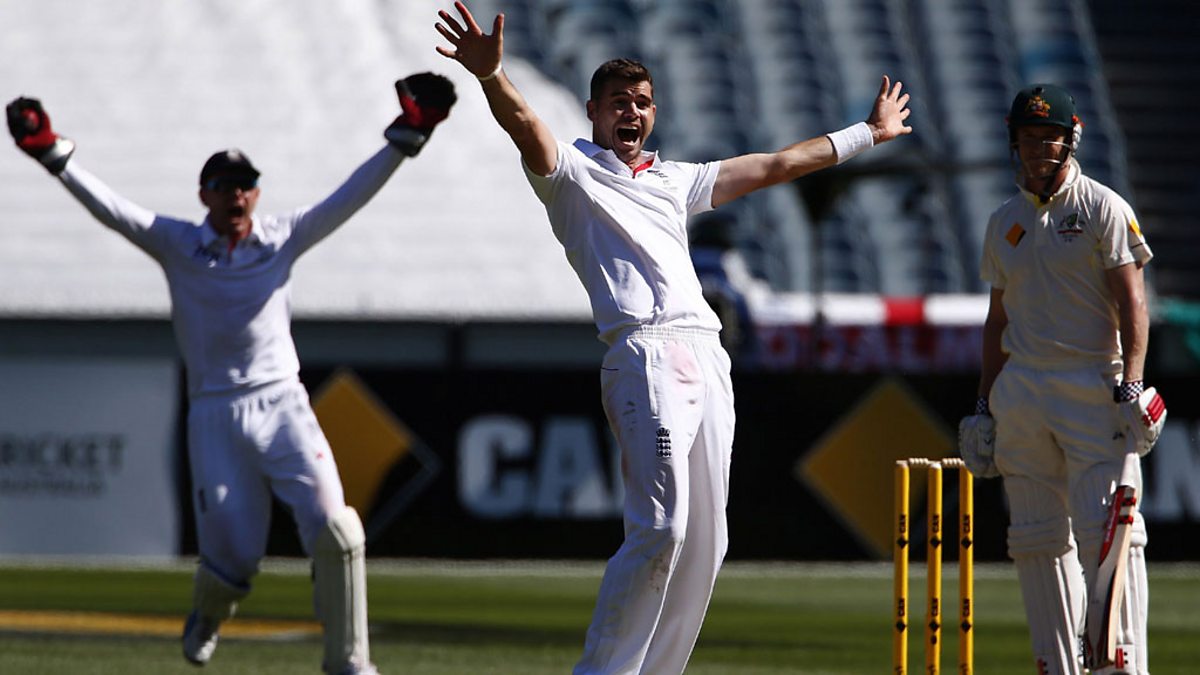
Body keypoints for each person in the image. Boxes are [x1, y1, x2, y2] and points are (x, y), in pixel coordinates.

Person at [434, 3, 912, 673]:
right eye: (618, 102)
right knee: (662, 526)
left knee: (707, 544)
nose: (631, 112)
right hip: (646, 354)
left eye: (642, 102)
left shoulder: (674, 180)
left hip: (708, 354)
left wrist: (868, 132)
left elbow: (777, 164)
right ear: (594, 113)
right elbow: (525, 126)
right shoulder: (571, 174)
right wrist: (492, 76)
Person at [6, 73, 456, 675]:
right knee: (234, 560)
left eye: (245, 186)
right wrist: (51, 155)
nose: (237, 197)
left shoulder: (281, 238)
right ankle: (209, 613)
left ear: (256, 193)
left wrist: (407, 137)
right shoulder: (177, 243)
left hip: (284, 404)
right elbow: (114, 212)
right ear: (204, 195)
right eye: (224, 187)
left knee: (338, 531)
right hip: (216, 413)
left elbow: (347, 198)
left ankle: (349, 664)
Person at [957, 84, 1166, 675]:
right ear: (1014, 140)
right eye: (1029, 136)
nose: (1039, 148)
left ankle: (1120, 666)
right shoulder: (1004, 220)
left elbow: (1133, 303)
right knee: (1035, 539)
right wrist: (983, 405)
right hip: (1022, 393)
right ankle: (1056, 664)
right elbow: (997, 321)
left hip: (1091, 387)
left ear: (1072, 139)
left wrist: (1133, 383)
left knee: (1111, 532)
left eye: (1050, 137)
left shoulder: (1103, 207)